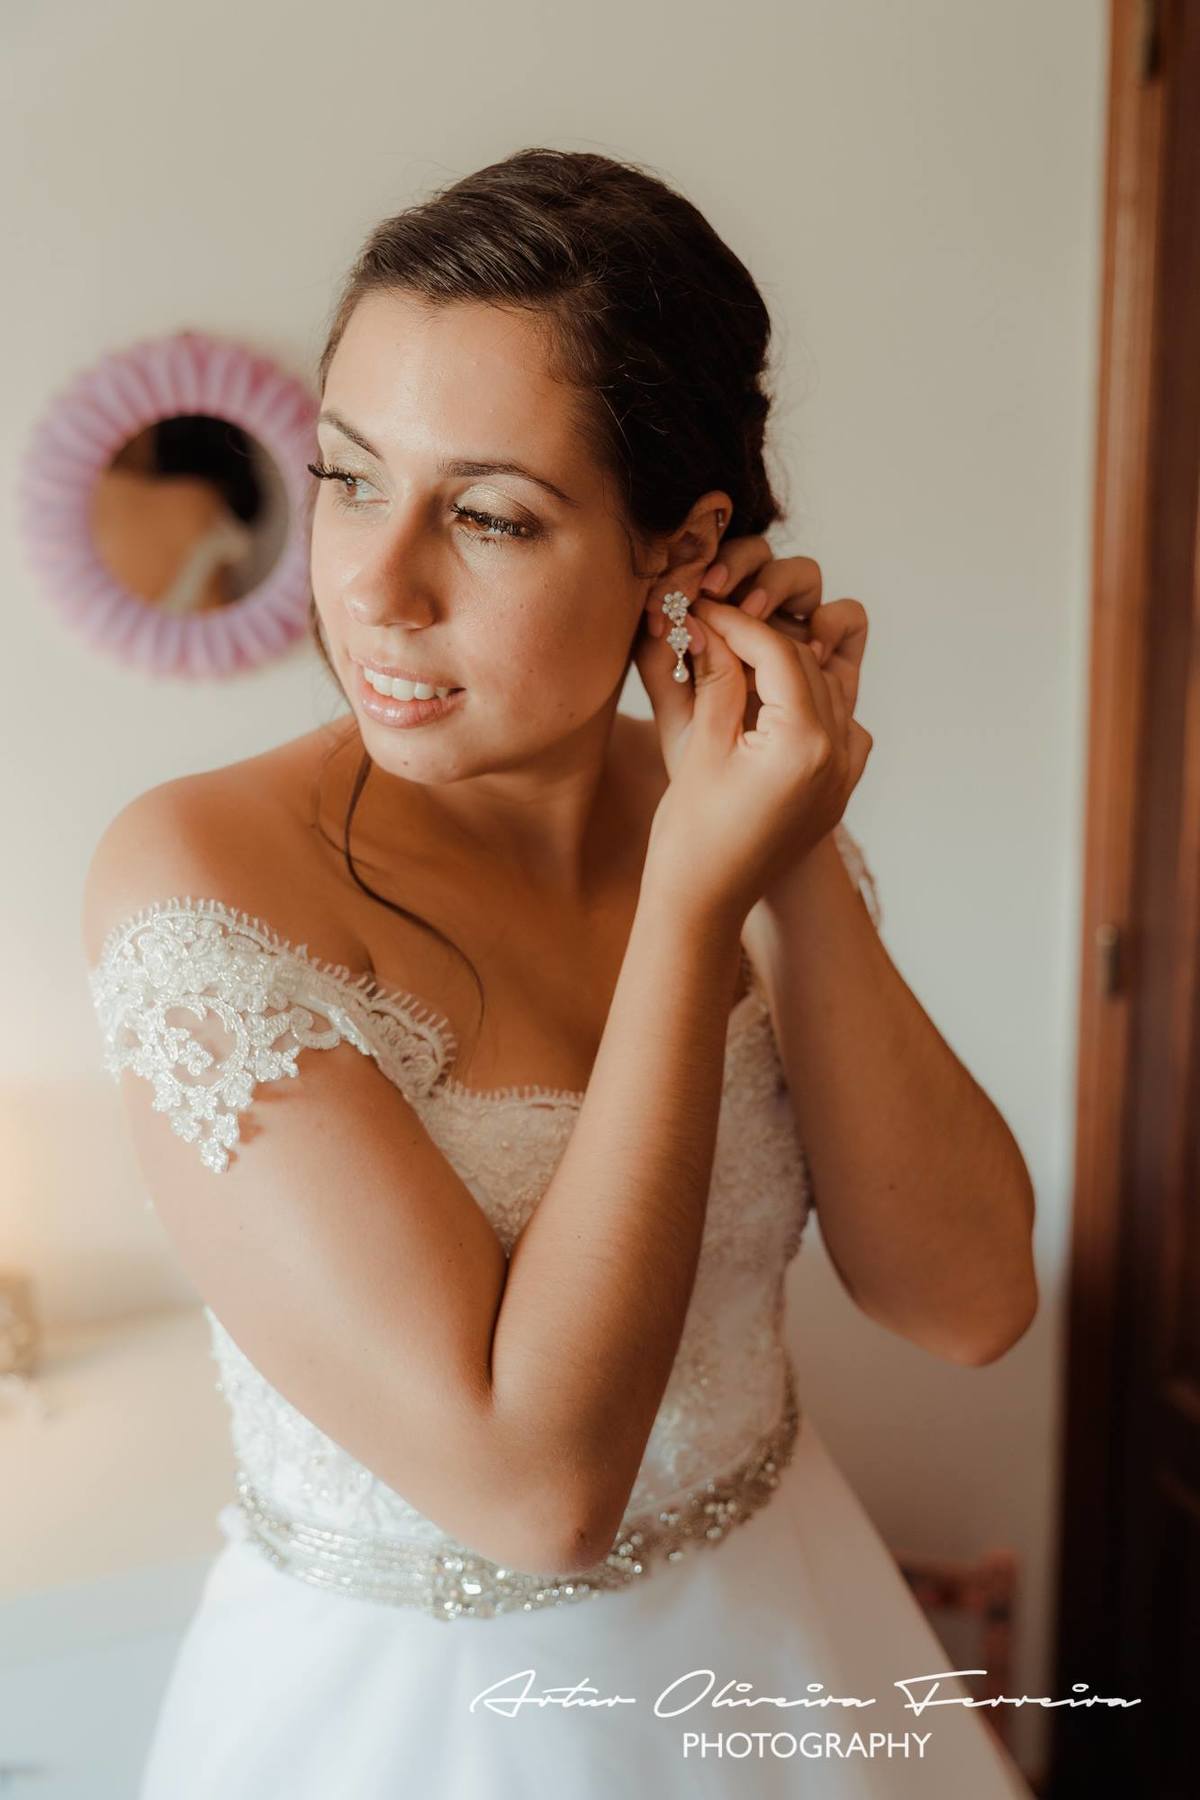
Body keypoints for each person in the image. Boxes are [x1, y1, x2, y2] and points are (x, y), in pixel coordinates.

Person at [82, 148, 1037, 1798]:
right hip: (412, 1733)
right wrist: (691, 902)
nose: (376, 587)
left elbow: (970, 1306)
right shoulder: (204, 880)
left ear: (682, 548)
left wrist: (790, 846)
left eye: (490, 515)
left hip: (785, 1657)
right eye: (351, 478)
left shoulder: (735, 816)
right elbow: (539, 1496)